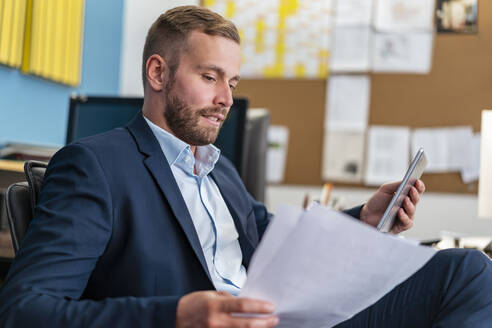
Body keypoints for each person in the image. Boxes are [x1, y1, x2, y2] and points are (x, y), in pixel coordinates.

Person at [0, 5, 490, 328]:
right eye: (210, 77)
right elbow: (25, 310)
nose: (226, 99)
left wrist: (364, 217)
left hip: (284, 316)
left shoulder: (218, 168)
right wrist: (178, 315)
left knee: (468, 271)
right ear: (157, 72)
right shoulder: (95, 166)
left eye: (231, 81)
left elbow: (273, 241)